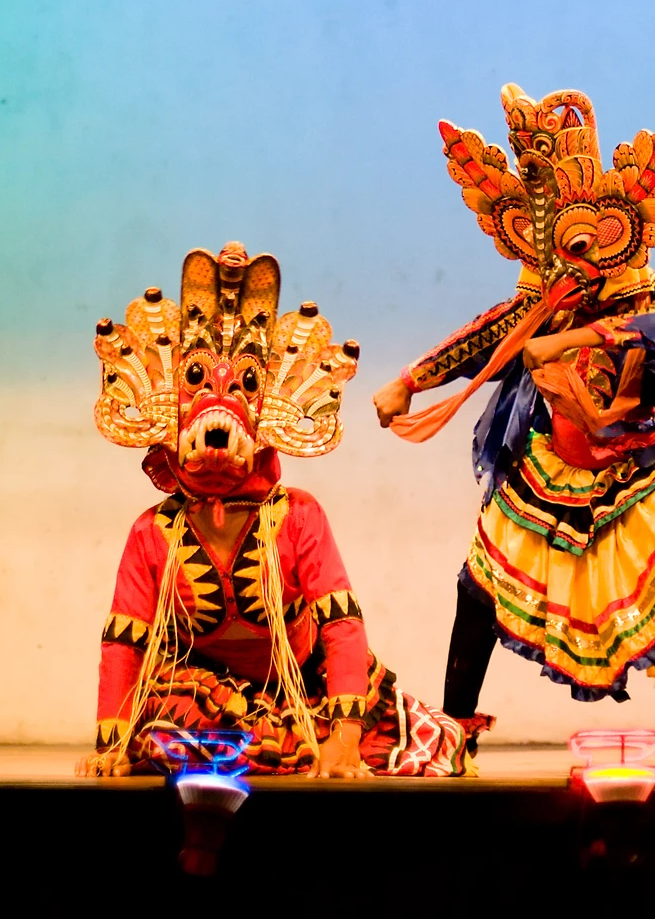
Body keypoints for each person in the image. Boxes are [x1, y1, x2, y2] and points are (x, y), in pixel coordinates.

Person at [373, 85, 655, 776]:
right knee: (479, 584)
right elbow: (491, 337)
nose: (575, 250)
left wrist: (572, 341)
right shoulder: (544, 301)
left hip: (649, 459)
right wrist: (411, 380)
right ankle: (455, 733)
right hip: (554, 469)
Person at [77, 242, 471, 779]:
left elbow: (341, 625)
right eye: (196, 383)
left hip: (303, 687)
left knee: (411, 746)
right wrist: (111, 744)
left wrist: (345, 739)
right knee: (169, 743)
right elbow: (125, 638)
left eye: (243, 386)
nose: (218, 406)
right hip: (200, 690)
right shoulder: (154, 531)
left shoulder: (297, 516)